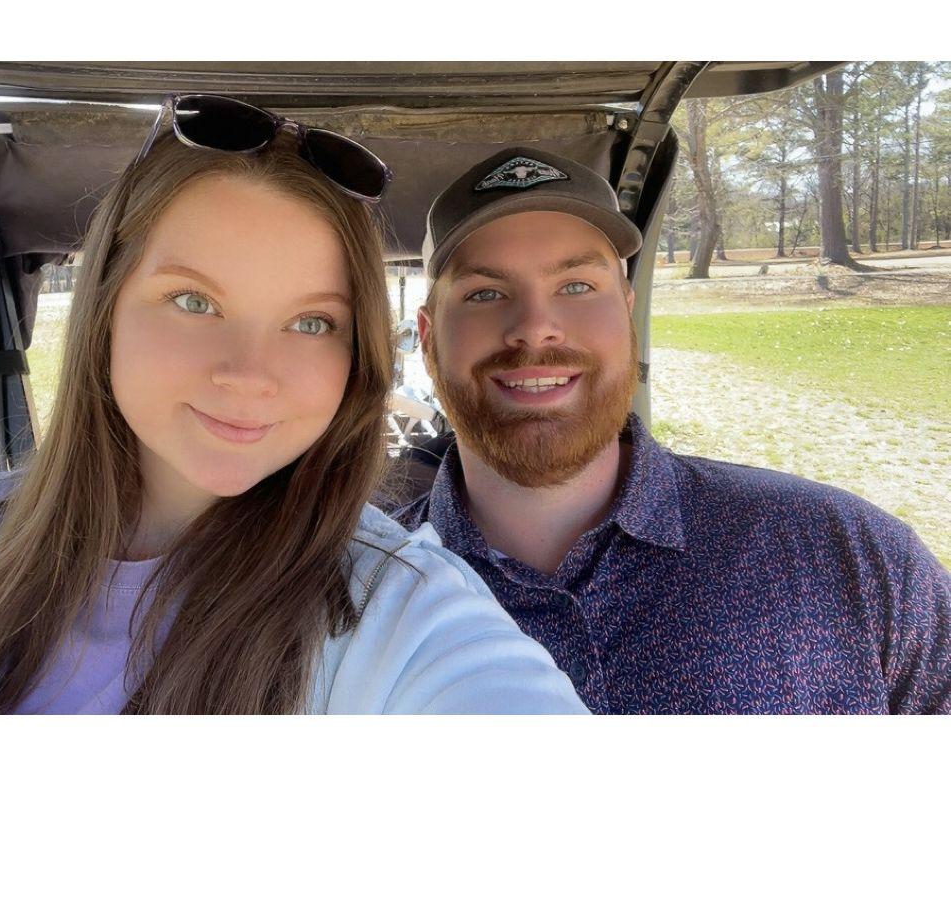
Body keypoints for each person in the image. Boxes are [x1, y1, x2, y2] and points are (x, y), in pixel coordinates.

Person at [0, 97, 584, 716]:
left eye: (312, 322)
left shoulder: (401, 620)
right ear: (105, 308)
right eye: (194, 301)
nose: (249, 374)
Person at [392, 146, 951, 714]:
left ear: (627, 311)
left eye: (577, 286)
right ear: (429, 338)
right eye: (485, 294)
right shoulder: (359, 594)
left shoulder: (854, 556)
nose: (536, 329)